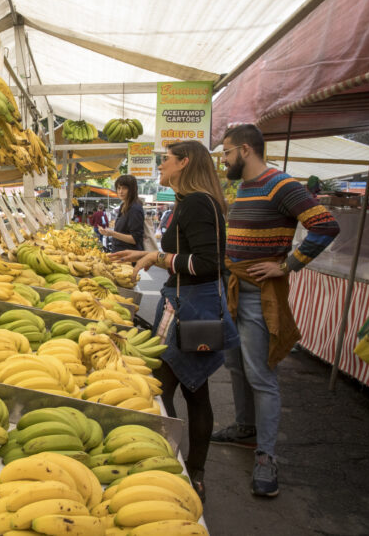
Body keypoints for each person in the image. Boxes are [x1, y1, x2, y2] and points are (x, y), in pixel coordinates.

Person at [110, 140, 240, 503]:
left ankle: (177, 468)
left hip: (191, 308)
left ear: (184, 163)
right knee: (183, 389)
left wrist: (157, 258)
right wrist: (146, 254)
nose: (161, 166)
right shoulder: (193, 201)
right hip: (182, 304)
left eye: (166, 160)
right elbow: (187, 255)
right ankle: (181, 466)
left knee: (177, 389)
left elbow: (208, 263)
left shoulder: (198, 202)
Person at [214, 124, 340, 498]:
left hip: (257, 293)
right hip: (234, 289)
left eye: (226, 152)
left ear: (247, 150)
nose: (224, 160)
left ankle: (267, 456)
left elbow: (325, 225)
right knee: (235, 365)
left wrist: (288, 265)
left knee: (261, 375)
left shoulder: (280, 184)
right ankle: (244, 427)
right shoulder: (245, 187)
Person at [100, 175, 144, 253]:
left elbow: (135, 239)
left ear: (132, 190)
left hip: (129, 257)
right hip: (120, 254)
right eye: (119, 188)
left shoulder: (135, 209)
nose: (120, 191)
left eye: (124, 188)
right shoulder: (123, 206)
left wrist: (112, 233)